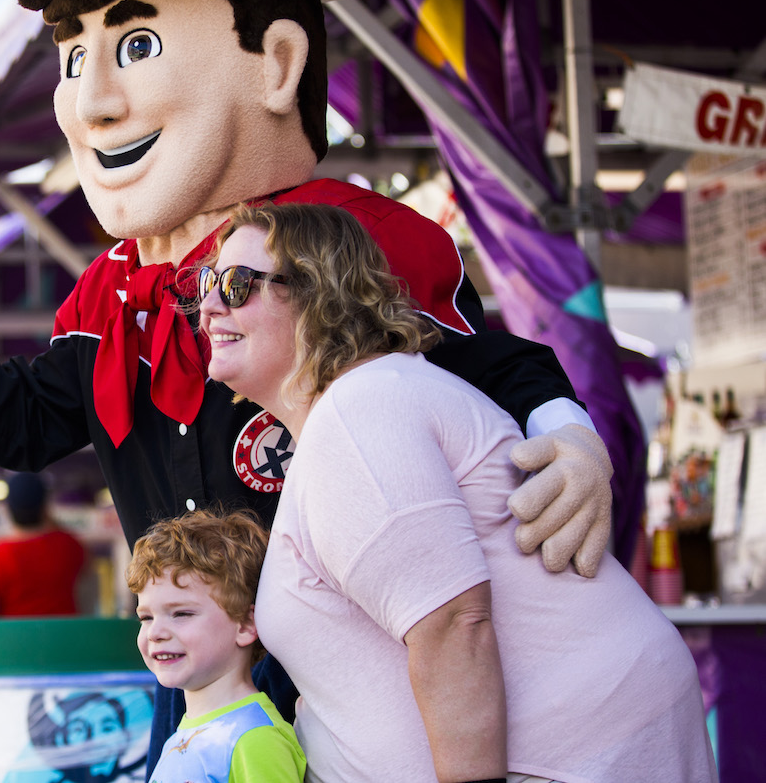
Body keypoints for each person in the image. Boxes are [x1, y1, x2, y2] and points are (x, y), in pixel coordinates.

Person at [0, 0, 616, 764]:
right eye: (75, 55)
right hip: (204, 702)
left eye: (136, 44)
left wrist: (569, 435)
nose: (94, 100)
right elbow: (23, 423)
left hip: (372, 699)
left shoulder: (342, 246)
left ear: (277, 64)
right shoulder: (108, 295)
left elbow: (485, 367)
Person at [199, 202, 714, 781]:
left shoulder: (358, 410)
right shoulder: (356, 408)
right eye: (206, 282)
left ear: (319, 295)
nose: (212, 304)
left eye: (239, 284)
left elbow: (453, 626)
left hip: (575, 758)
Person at [127, 510, 303, 783]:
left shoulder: (255, 738)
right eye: (146, 617)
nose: (156, 633)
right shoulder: (183, 734)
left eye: (181, 614)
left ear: (245, 624)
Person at [0, 473, 86, 619]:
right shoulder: (71, 546)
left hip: (13, 640)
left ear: (7, 509)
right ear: (45, 506)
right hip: (66, 639)